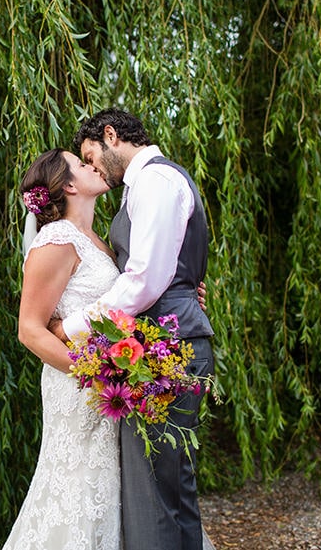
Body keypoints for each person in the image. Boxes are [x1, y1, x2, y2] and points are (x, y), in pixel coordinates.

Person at [58, 108, 215, 550]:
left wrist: (71, 326)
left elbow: (145, 280)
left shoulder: (155, 182)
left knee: (155, 495)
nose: (92, 168)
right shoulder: (144, 187)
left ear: (111, 135)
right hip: (163, 345)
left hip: (169, 348)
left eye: (91, 156)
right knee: (168, 490)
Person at [2, 147, 122, 550]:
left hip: (106, 380)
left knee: (107, 484)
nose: (93, 166)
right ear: (69, 185)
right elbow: (30, 330)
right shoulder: (57, 238)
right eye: (82, 164)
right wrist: (93, 375)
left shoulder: (96, 240)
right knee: (77, 483)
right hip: (78, 384)